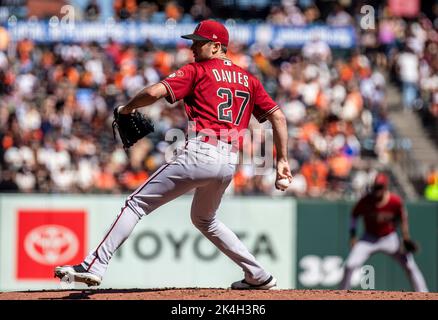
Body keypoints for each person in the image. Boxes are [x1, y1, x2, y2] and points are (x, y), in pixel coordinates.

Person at [54, 20, 292, 289]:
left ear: (216, 46)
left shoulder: (198, 70)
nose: (192, 47)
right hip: (229, 162)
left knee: (136, 203)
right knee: (204, 219)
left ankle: (93, 264)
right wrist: (282, 159)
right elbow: (279, 117)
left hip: (202, 151)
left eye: (198, 42)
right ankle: (259, 276)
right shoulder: (249, 79)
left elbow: (154, 92)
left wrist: (126, 109)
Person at [339, 173, 428, 292]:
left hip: (389, 238)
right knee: (350, 265)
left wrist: (405, 237)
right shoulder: (366, 200)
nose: (377, 190)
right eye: (375, 187)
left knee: (410, 266)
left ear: (385, 187)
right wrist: (353, 234)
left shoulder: (394, 201)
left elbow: (402, 218)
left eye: (380, 187)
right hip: (369, 238)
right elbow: (354, 215)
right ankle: (342, 294)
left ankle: (424, 294)